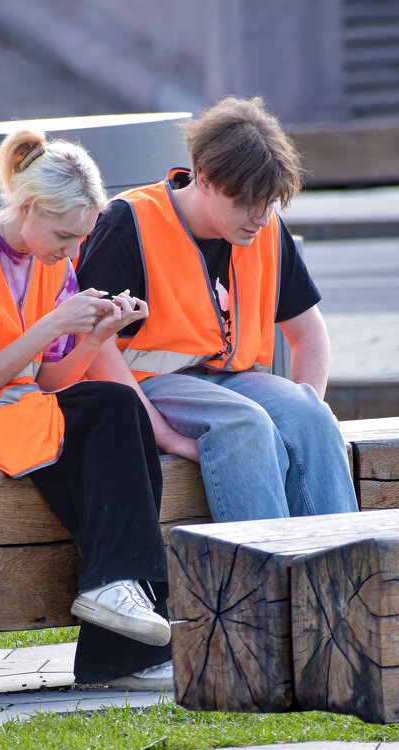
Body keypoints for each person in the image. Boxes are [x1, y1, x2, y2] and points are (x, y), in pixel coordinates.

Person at [0, 129, 173, 690]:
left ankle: (117, 616)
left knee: (121, 410)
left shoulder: (51, 258)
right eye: (64, 236)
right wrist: (53, 325)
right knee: (111, 412)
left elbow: (49, 378)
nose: (70, 252)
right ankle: (120, 620)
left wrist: (98, 337)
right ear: (26, 208)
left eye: (79, 242)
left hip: (14, 411)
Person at [76, 96, 359, 523]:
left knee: (313, 418)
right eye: (247, 202)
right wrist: (165, 436)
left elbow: (308, 333)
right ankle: (266, 584)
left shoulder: (264, 228)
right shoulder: (127, 223)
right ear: (204, 178)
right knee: (244, 426)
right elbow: (92, 348)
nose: (261, 218)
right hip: (148, 384)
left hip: (232, 380)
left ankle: (340, 582)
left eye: (269, 203)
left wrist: (301, 414)